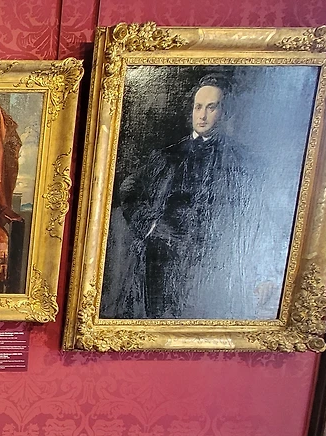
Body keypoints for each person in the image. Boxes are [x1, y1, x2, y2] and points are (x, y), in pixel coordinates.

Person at [102, 73, 258, 320]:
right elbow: (129, 188)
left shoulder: (241, 160)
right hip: (161, 260)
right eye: (198, 107)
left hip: (210, 266)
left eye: (211, 108)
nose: (202, 115)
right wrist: (149, 225)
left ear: (224, 112)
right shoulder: (167, 155)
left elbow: (251, 215)